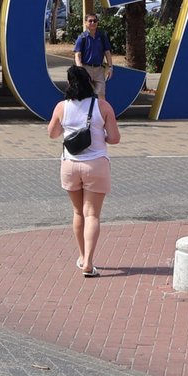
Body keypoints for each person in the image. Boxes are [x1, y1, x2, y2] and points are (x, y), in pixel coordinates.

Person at [47, 64, 120, 278]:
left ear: (69, 83)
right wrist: (100, 136)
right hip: (96, 164)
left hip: (70, 165)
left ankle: (81, 256)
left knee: (78, 213)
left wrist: (68, 128)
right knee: (92, 214)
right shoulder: (103, 106)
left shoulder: (62, 107)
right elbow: (115, 138)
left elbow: (52, 133)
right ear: (89, 82)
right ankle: (88, 261)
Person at [72, 13, 115, 100]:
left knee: (101, 96)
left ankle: (100, 109)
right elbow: (77, 55)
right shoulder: (82, 37)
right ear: (85, 23)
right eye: (90, 21)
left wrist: (110, 67)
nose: (92, 23)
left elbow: (107, 52)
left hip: (99, 70)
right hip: (86, 69)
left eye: (95, 21)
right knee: (85, 96)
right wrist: (80, 69)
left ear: (97, 22)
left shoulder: (102, 36)